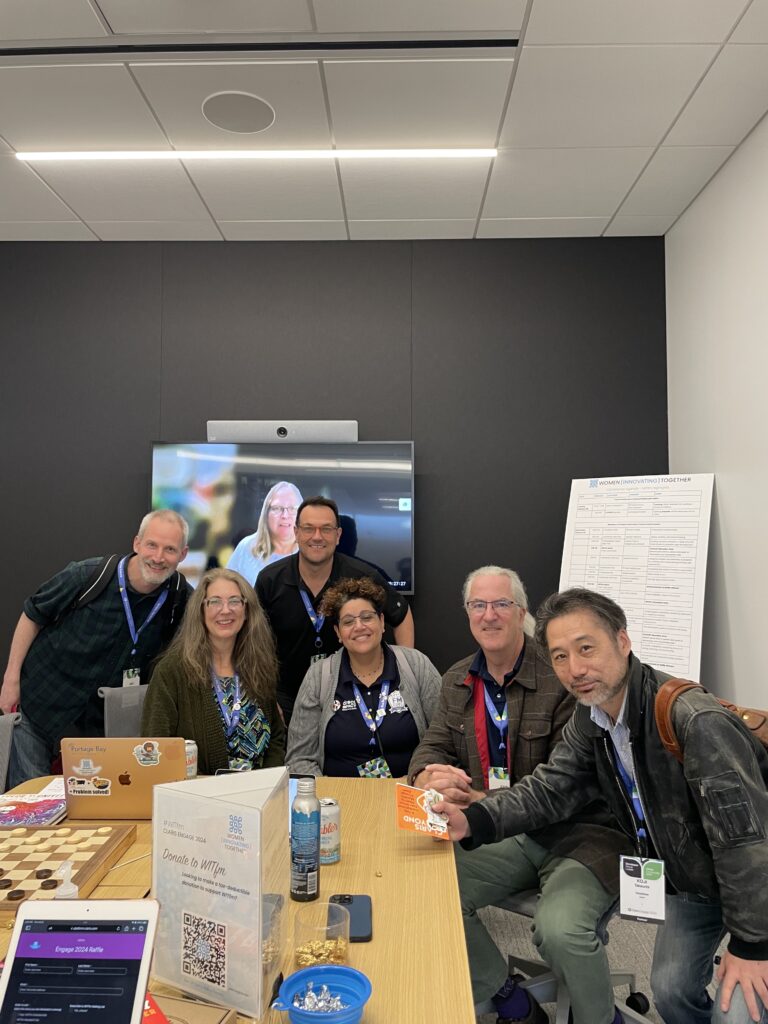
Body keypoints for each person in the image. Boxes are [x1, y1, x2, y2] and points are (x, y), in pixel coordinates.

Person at [438, 588, 768, 1024]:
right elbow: (552, 789)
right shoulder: (590, 716)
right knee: (670, 994)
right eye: (559, 656)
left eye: (586, 648)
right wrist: (474, 819)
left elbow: (746, 843)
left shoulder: (693, 719)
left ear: (623, 641)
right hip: (690, 879)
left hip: (753, 884)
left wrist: (752, 945)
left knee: (736, 1013)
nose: (575, 669)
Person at [409, 567, 629, 1024]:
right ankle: (507, 995)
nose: (489, 616)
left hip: (581, 835)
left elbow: (561, 786)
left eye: (501, 605)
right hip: (509, 834)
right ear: (468, 614)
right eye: (478, 606)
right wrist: (428, 777)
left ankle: (601, 1018)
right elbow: (432, 744)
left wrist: (477, 802)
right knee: (423, 888)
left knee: (560, 930)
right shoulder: (456, 680)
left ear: (522, 613)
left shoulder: (563, 672)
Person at [0, 510, 191, 789]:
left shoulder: (179, 596)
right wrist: (11, 679)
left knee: (93, 808)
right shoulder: (88, 575)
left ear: (183, 554)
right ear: (137, 543)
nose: (159, 557)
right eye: (152, 545)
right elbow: (33, 615)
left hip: (101, 729)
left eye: (170, 549)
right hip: (41, 705)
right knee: (35, 804)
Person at [256, 496, 414, 720]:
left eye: (326, 529)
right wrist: (268, 699)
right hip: (287, 698)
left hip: (350, 694)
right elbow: (252, 644)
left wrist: (404, 675)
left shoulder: (362, 576)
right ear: (296, 532)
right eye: (309, 528)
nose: (317, 537)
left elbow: (401, 614)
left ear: (338, 535)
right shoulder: (269, 580)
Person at [287, 577, 439, 777]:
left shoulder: (416, 665)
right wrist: (329, 798)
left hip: (407, 796)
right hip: (338, 801)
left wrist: (415, 781)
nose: (359, 626)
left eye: (367, 617)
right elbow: (300, 759)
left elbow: (442, 742)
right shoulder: (318, 677)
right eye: (348, 621)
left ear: (382, 622)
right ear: (338, 633)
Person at [142, 567, 284, 774]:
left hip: (258, 793)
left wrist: (269, 781)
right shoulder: (172, 671)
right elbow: (155, 746)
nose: (225, 610)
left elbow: (276, 738)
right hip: (197, 796)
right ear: (201, 610)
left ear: (247, 611)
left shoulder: (258, 665)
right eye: (215, 601)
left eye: (234, 601)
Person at [227, 481, 303, 586]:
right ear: (266, 513)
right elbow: (226, 589)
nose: (285, 515)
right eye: (277, 508)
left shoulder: (310, 549)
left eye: (292, 509)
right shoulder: (246, 547)